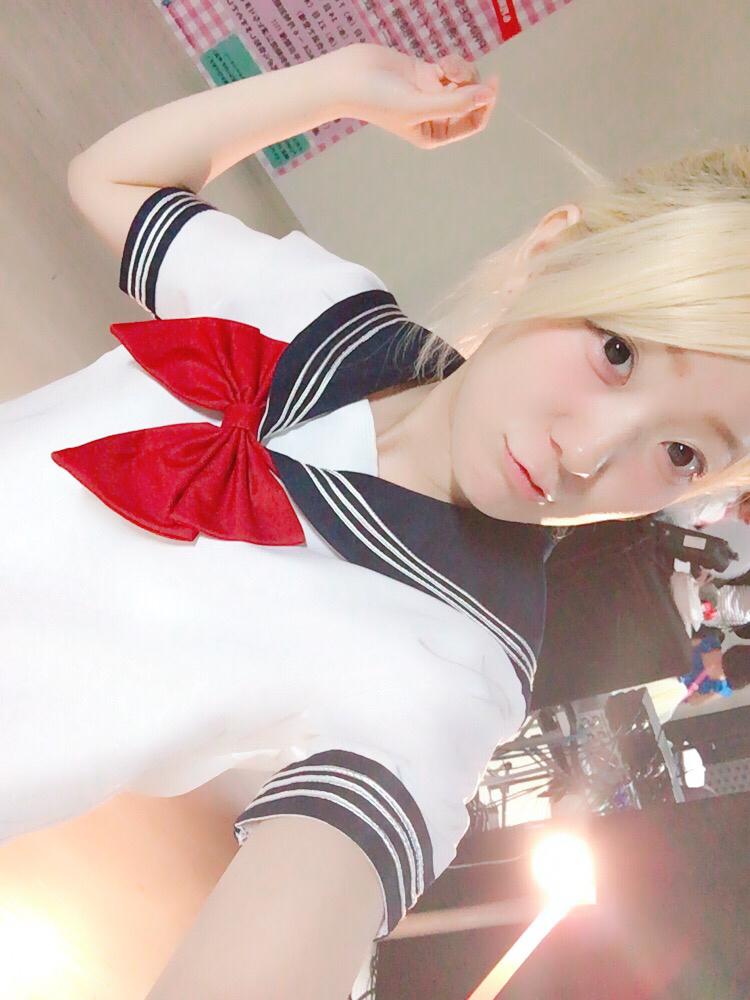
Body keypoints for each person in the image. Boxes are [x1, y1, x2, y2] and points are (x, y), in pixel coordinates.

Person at [3, 41, 750, 1000]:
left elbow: (322, 879)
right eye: (617, 351)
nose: (589, 454)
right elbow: (113, 179)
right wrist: (338, 83)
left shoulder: (457, 661)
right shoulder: (325, 308)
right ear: (551, 254)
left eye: (682, 453)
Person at [680, 637, 750, 706]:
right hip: (676, 688)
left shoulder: (711, 644)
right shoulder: (720, 688)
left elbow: (680, 642)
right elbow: (693, 701)